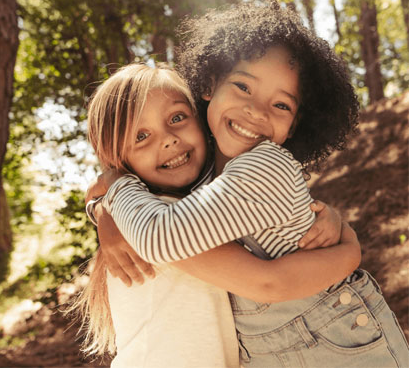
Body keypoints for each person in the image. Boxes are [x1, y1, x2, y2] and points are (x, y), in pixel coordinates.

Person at [90, 2, 409, 367]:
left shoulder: (266, 164)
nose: (257, 111)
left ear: (295, 126)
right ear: (209, 85)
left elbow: (161, 235)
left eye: (282, 105)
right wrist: (103, 212)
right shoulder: (206, 172)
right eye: (243, 86)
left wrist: (115, 184)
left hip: (342, 349)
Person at [78, 62, 360, 367]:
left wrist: (104, 202)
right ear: (116, 158)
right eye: (141, 136)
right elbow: (269, 282)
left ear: (200, 119)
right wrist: (350, 250)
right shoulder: (158, 225)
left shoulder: (192, 209)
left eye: (177, 117)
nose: (168, 138)